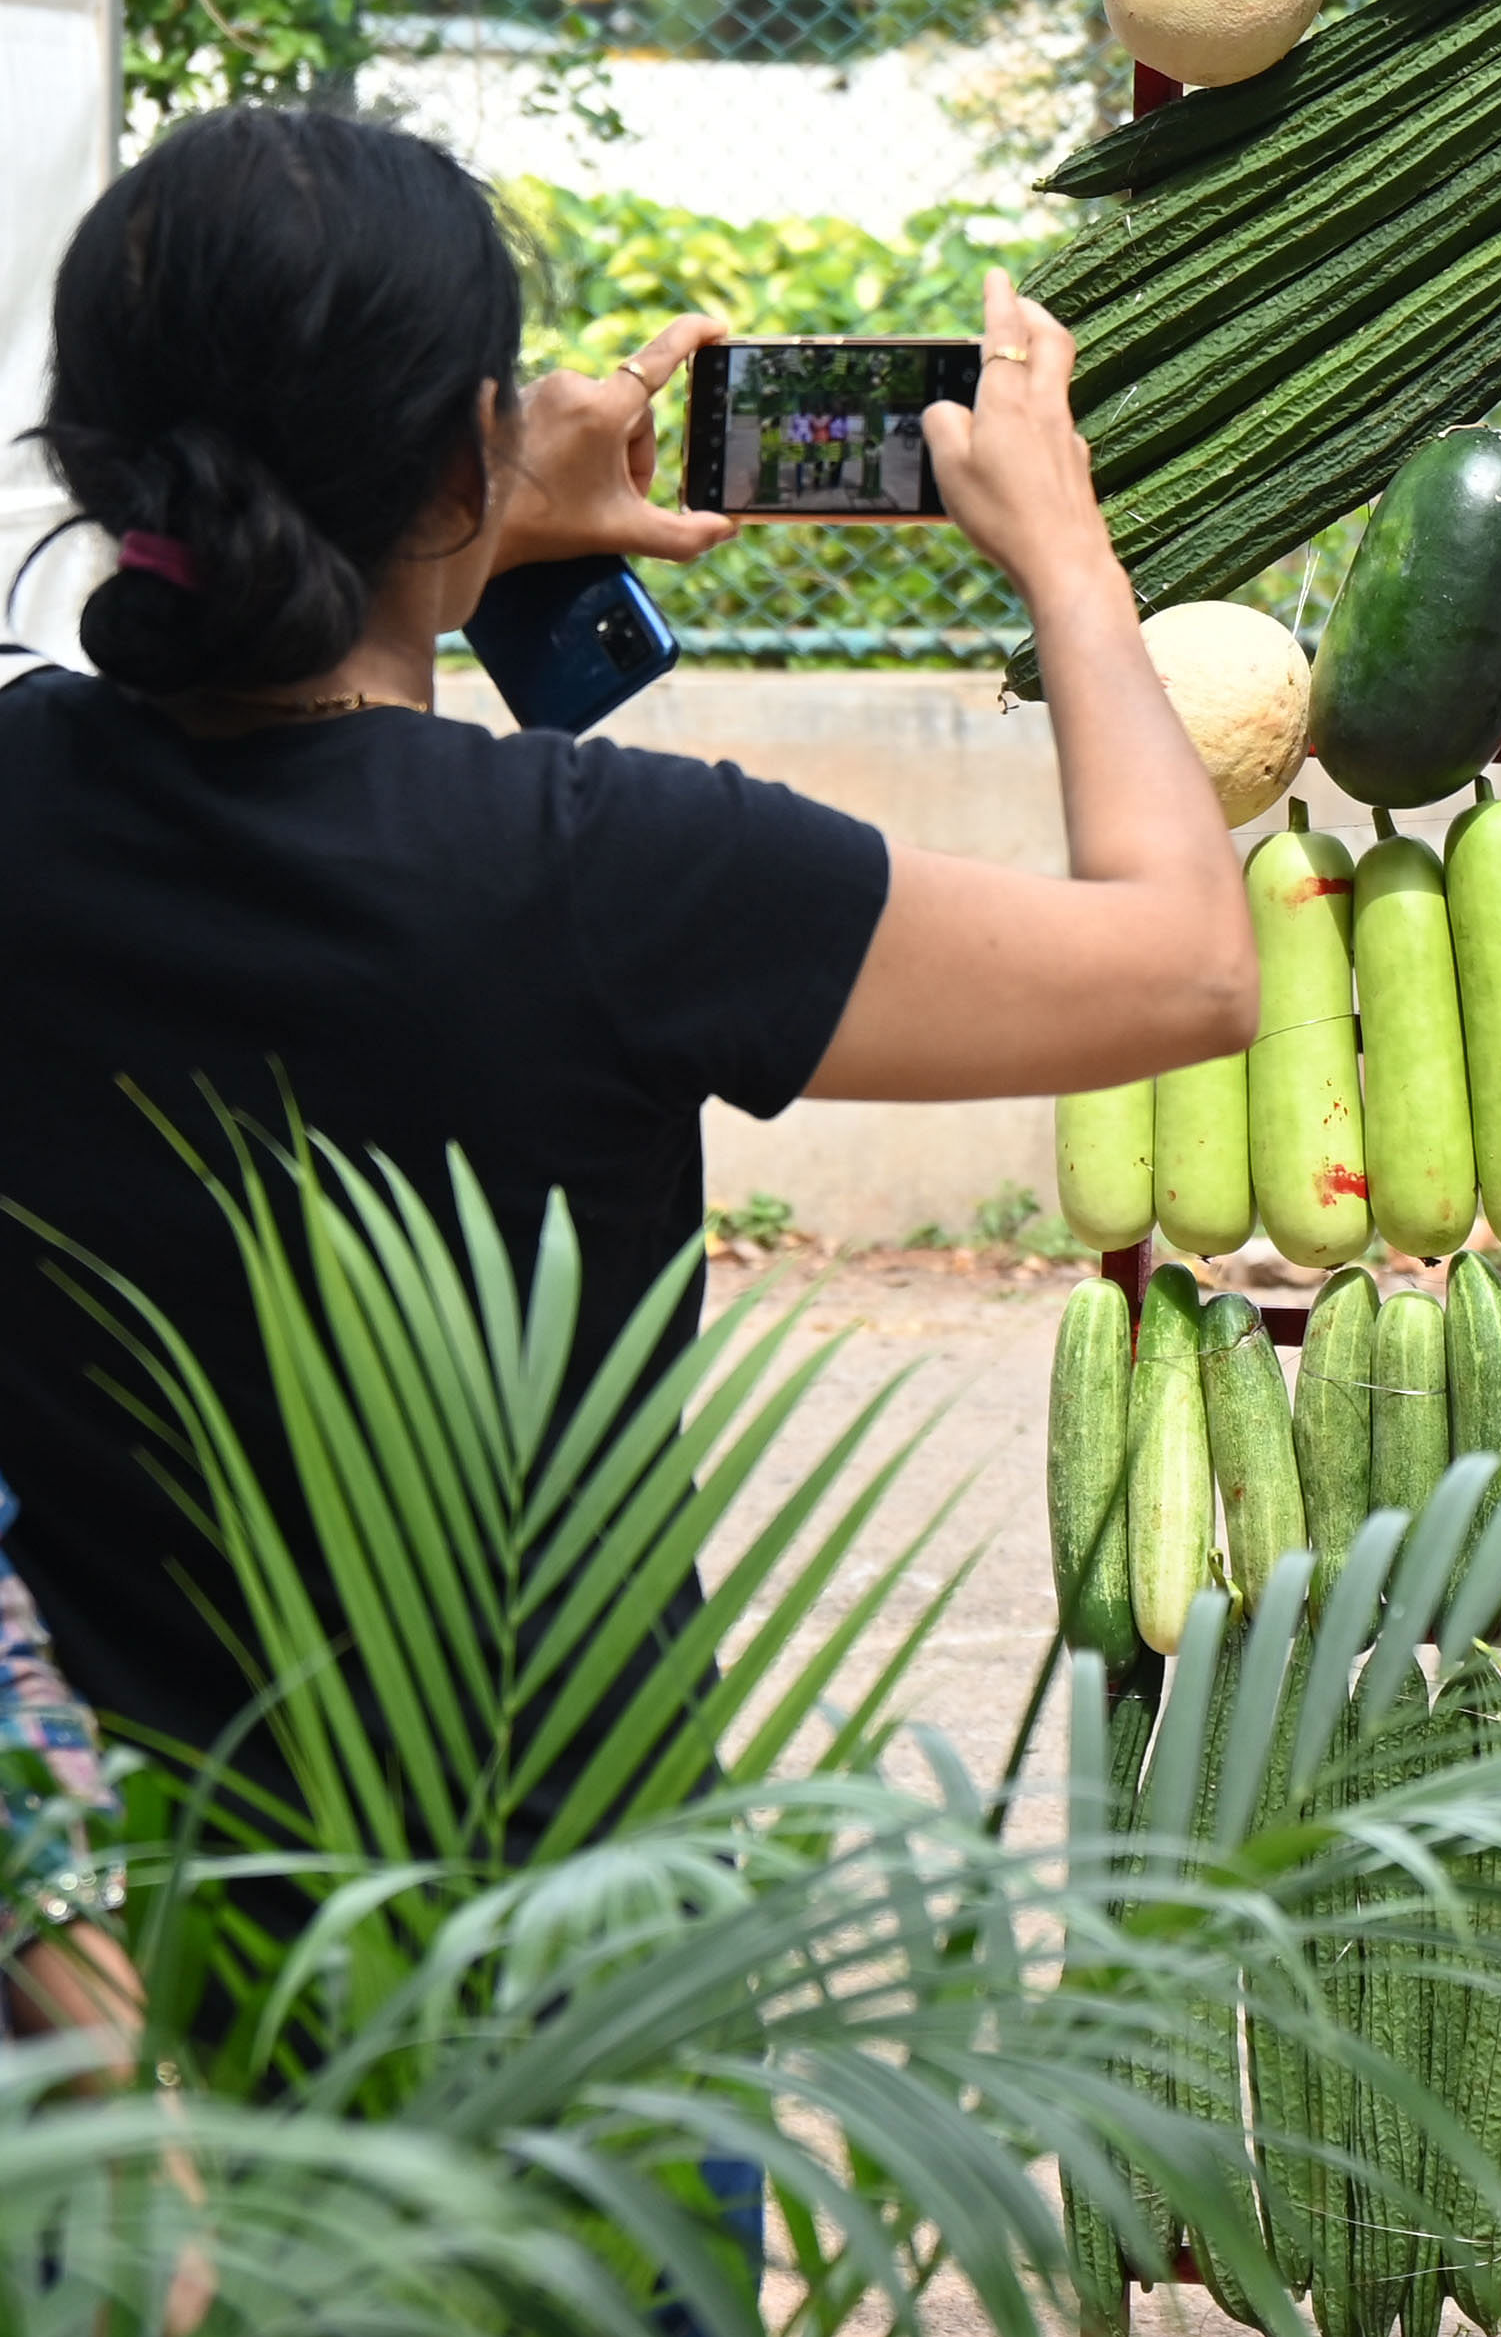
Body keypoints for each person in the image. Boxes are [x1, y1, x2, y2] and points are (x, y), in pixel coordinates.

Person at [0, 105, 1255, 1778]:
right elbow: (1186, 963)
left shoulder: (27, 792)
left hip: (130, 1938)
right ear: (459, 447)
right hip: (563, 1965)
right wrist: (1067, 552)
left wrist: (462, 501)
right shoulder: (615, 874)